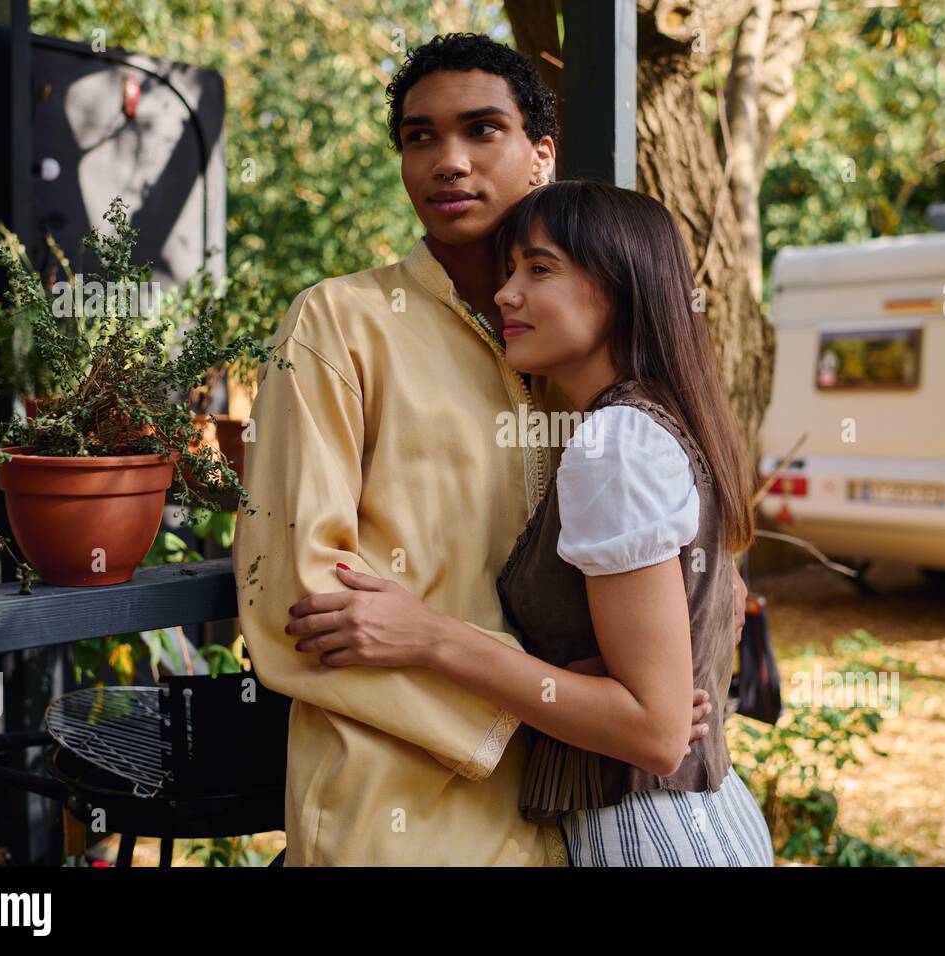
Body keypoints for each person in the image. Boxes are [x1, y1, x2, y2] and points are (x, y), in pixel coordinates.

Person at [234, 34, 742, 866]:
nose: (447, 161)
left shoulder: (574, 353)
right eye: (419, 137)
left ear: (541, 154)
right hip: (397, 801)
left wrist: (633, 701)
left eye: (481, 130)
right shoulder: (339, 326)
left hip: (575, 813)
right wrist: (560, 707)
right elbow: (297, 596)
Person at [290, 180, 774, 867]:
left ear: (621, 290)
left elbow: (658, 732)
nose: (506, 294)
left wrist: (430, 638)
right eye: (509, 270)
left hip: (653, 838)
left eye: (539, 270)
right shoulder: (659, 423)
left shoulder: (612, 444)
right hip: (691, 823)